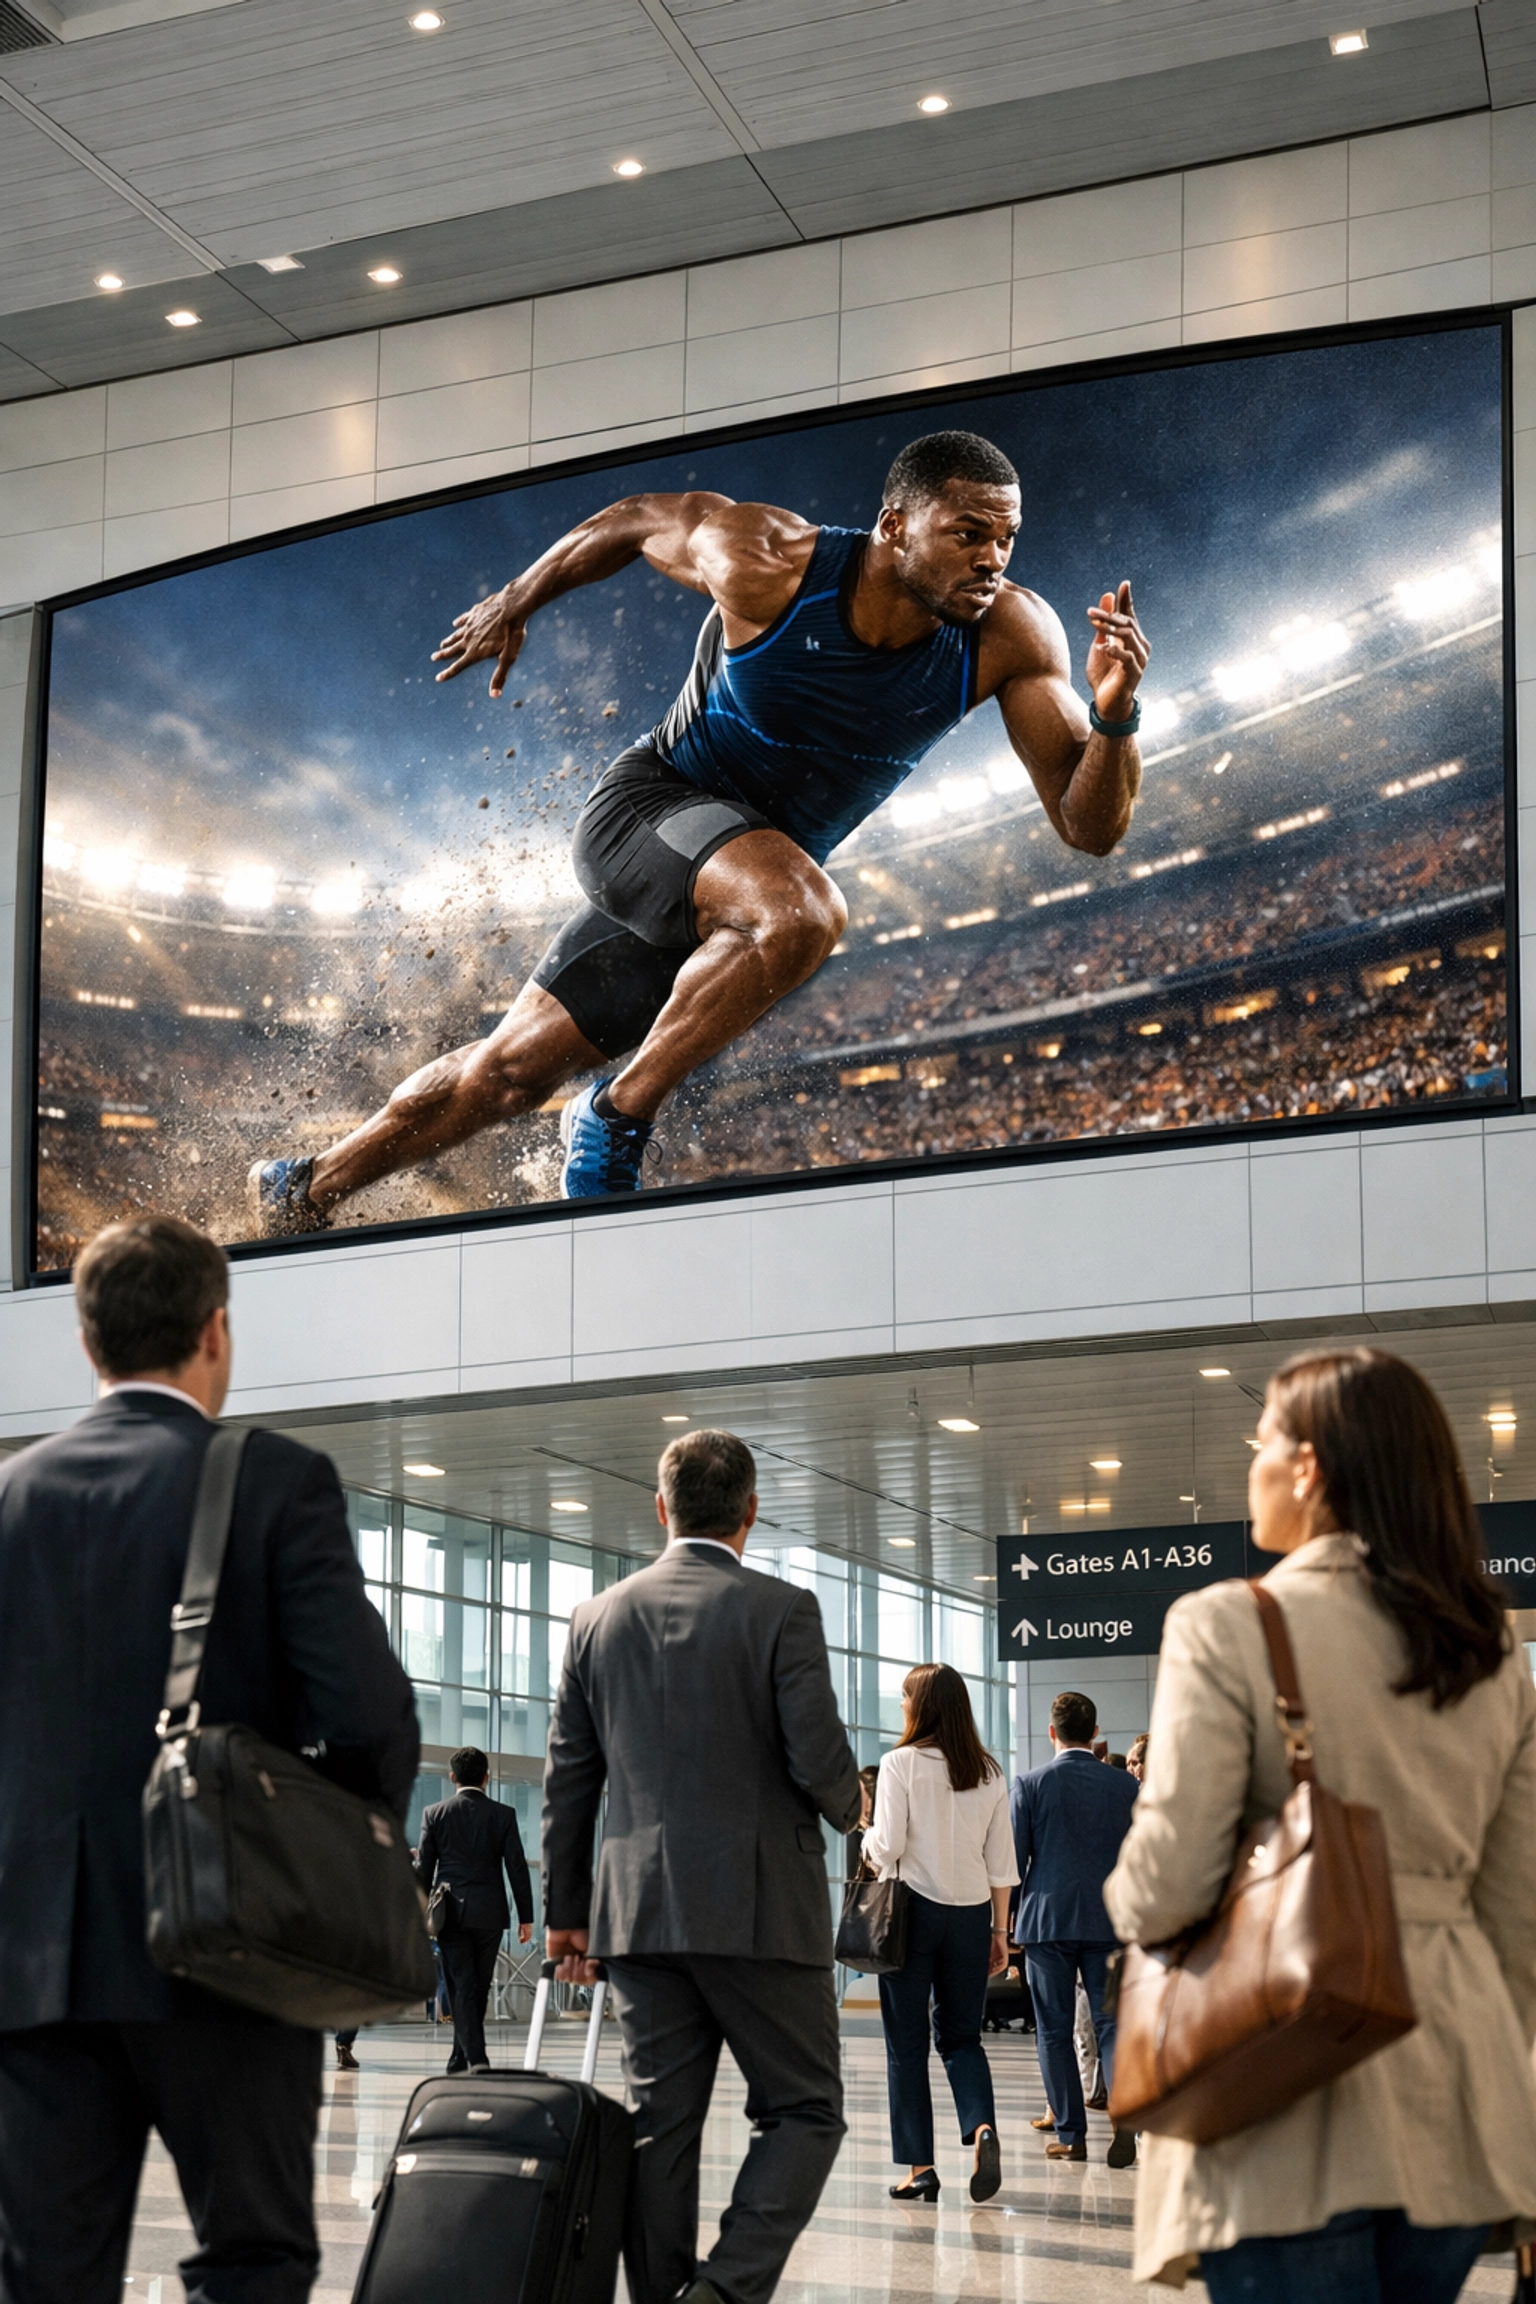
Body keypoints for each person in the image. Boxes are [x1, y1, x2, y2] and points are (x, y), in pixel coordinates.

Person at [250, 429, 1149, 1229]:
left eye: (1006, 538)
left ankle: (306, 1188)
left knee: (508, 1073)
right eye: (968, 534)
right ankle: (614, 1113)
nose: (992, 559)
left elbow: (1089, 825)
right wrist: (518, 598)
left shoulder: (1013, 635)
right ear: (892, 527)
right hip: (647, 815)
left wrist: (1114, 717)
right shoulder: (771, 560)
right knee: (803, 915)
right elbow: (640, 520)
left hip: (728, 888)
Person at [0, 1214, 419, 2304]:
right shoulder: (273, 1481)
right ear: (215, 1333)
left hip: (34, 1957)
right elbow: (368, 1717)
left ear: (89, 1342)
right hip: (234, 1940)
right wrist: (339, 1840)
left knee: (45, 2273)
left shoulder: (12, 1494)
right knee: (252, 2258)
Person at [1106, 1347, 1536, 2298]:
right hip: (1458, 2104)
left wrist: (1125, 1890)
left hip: (1278, 2093)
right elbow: (1519, 1922)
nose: (1248, 1465)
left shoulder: (1228, 1622)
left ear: (1308, 1468)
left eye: (1259, 1442)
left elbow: (1166, 1885)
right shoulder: (1489, 1651)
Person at [541, 1428, 860, 2304]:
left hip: (640, 1913)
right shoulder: (781, 1610)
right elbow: (818, 1757)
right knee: (804, 2111)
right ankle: (722, 2294)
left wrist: (567, 1913)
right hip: (763, 1912)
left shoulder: (594, 1618)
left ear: (661, 1508)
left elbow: (570, 1778)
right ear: (750, 1512)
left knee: (659, 2132)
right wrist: (851, 1808)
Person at [861, 1663, 1018, 2204]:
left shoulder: (899, 1764)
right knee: (961, 2038)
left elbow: (889, 1845)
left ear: (921, 1706)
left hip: (912, 1914)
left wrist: (866, 1842)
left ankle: (920, 2168)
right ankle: (982, 2128)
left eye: (905, 1697)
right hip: (973, 1916)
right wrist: (1000, 1931)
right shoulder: (990, 1772)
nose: (902, 1706)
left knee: (907, 2046)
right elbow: (1002, 1863)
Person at [1011, 1691, 1139, 2167]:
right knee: (1112, 2023)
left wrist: (1004, 1928)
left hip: (1047, 1924)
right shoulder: (1126, 1787)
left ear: (1051, 1733)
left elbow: (1016, 1862)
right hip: (1110, 1921)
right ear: (1095, 1732)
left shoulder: (1030, 1785)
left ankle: (1071, 2133)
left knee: (1054, 2029)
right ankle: (1124, 2116)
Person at [416, 1747, 534, 2075]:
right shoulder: (503, 1814)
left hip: (449, 1914)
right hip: (490, 1912)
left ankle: (467, 2058)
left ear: (452, 1777)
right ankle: (471, 2059)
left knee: (463, 1986)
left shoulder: (434, 1813)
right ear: (486, 1777)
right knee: (477, 1986)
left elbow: (424, 1870)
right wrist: (527, 1916)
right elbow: (517, 1868)